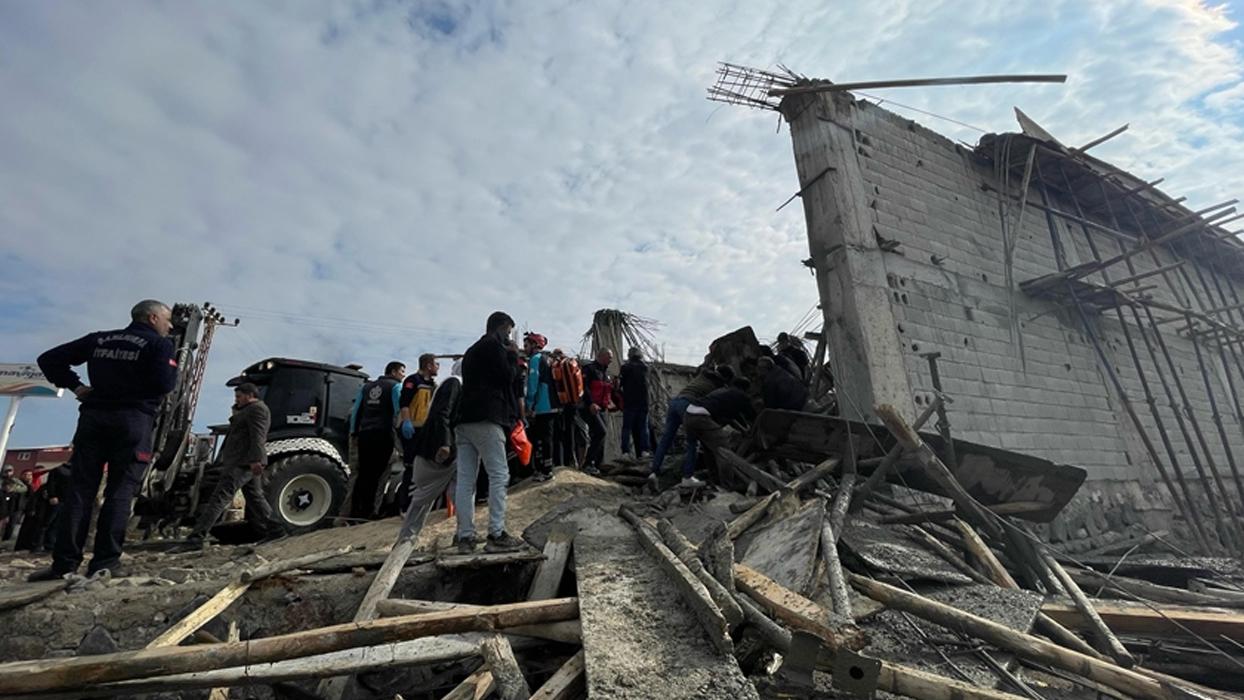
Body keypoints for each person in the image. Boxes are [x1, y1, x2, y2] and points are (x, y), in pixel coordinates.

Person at [29, 300, 178, 581]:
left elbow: (48, 359)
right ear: (152, 317)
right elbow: (165, 385)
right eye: (167, 320)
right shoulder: (159, 346)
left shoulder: (98, 339)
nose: (170, 326)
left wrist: (77, 386)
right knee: (120, 491)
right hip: (133, 420)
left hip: (94, 418)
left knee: (79, 491)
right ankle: (104, 563)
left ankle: (63, 565)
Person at [454, 312, 525, 554]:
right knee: (498, 474)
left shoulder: (471, 351)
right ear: (502, 327)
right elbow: (507, 378)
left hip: (464, 420)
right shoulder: (494, 347)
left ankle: (465, 537)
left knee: (465, 480)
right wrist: (514, 356)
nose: (508, 336)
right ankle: (496, 533)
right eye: (508, 330)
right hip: (488, 417)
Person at [180, 383, 283, 548]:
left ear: (250, 395)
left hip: (243, 463)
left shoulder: (257, 410)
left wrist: (256, 460)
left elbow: (258, 436)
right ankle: (276, 530)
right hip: (243, 462)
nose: (237, 400)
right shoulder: (247, 410)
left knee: (219, 498)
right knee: (255, 498)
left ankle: (196, 538)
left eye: (239, 397)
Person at [648, 364, 734, 489]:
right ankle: (687, 477)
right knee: (692, 442)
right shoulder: (718, 384)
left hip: (675, 402)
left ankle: (654, 472)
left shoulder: (703, 374)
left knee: (666, 439)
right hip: (688, 405)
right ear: (725, 378)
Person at [404, 359, 463, 530]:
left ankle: (464, 531)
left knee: (459, 489)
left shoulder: (460, 386)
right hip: (436, 449)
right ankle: (407, 537)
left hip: (449, 449)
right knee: (422, 497)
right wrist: (445, 443)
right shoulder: (454, 383)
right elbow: (442, 414)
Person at [348, 361, 405, 521]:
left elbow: (357, 411)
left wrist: (354, 432)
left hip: (364, 434)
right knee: (379, 475)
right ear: (393, 372)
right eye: (401, 371)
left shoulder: (366, 387)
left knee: (364, 474)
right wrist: (400, 437)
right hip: (383, 434)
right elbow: (397, 412)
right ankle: (371, 512)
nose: (403, 375)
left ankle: (356, 512)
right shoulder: (395, 387)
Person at [683, 377, 758, 485]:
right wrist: (753, 427)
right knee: (724, 450)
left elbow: (731, 418)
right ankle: (727, 485)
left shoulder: (722, 392)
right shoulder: (740, 395)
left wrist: (742, 430)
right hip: (701, 417)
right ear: (745, 389)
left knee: (709, 450)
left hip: (688, 415)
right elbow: (751, 415)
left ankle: (715, 480)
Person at [398, 354, 439, 512]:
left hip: (425, 430)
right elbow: (404, 403)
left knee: (425, 467)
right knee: (411, 468)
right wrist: (406, 421)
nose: (437, 367)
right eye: (436, 364)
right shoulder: (412, 380)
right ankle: (406, 506)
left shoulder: (433, 385)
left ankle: (422, 504)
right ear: (428, 366)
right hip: (412, 429)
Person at [523, 333, 555, 481]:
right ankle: (547, 469)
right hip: (552, 404)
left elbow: (533, 384)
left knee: (540, 439)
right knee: (547, 437)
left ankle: (544, 471)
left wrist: (528, 404)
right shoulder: (547, 359)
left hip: (541, 405)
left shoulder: (535, 360)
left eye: (526, 345)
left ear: (535, 345)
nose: (525, 349)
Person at [547, 348, 584, 468]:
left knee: (558, 435)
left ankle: (559, 462)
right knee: (571, 432)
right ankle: (571, 460)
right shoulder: (571, 363)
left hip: (560, 404)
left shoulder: (555, 366)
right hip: (573, 403)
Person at [580, 348, 614, 476]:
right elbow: (585, 388)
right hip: (589, 407)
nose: (611, 360)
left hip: (601, 408)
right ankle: (588, 464)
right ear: (601, 356)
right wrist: (590, 403)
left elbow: (607, 391)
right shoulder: (590, 369)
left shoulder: (605, 373)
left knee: (601, 435)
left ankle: (597, 465)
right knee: (601, 431)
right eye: (609, 357)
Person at [619, 347, 651, 459]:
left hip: (629, 402)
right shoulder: (645, 367)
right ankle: (645, 451)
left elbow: (620, 385)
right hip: (643, 402)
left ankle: (625, 452)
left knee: (626, 428)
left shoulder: (625, 367)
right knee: (643, 427)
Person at [15, 470, 48, 551]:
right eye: (26, 475)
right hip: (24, 508)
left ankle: (25, 545)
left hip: (32, 509)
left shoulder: (35, 485)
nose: (28, 477)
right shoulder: (21, 484)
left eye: (30, 475)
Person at [0, 467, 29, 541]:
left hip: (11, 508)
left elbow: (24, 488)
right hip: (4, 508)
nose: (8, 473)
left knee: (9, 526)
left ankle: (5, 541)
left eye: (10, 471)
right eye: (6, 471)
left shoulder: (15, 481)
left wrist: (14, 489)